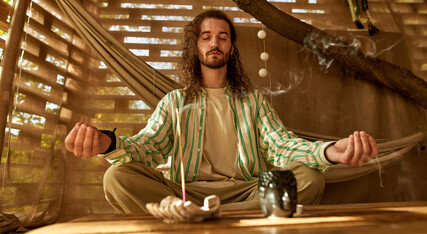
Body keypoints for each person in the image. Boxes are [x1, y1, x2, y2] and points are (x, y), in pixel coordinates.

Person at [65, 10, 378, 214]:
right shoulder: (174, 102)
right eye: (206, 37)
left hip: (246, 192)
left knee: (310, 178)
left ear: (231, 48)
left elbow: (282, 145)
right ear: (196, 47)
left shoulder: (253, 101)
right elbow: (149, 148)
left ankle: (206, 219)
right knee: (116, 177)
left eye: (223, 37)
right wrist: (109, 144)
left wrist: (330, 152)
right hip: (185, 194)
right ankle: (206, 214)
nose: (215, 42)